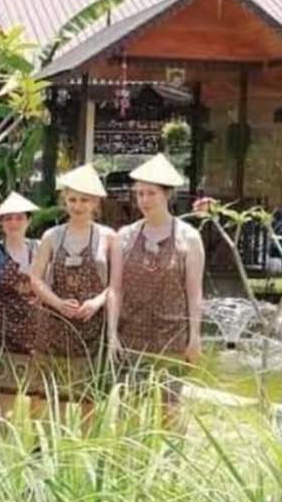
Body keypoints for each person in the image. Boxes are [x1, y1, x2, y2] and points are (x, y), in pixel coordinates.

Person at [108, 154, 205, 420]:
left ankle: (170, 460)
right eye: (139, 194)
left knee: (169, 409)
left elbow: (194, 292)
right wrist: (111, 332)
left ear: (167, 195)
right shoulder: (125, 236)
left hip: (172, 336)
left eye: (151, 193)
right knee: (129, 407)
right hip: (131, 335)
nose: (144, 200)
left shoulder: (189, 237)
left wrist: (195, 336)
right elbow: (115, 289)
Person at [28, 164, 115, 424]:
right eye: (72, 199)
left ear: (96, 203)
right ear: (65, 200)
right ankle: (54, 453)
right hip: (55, 326)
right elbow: (35, 278)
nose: (77, 206)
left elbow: (118, 283)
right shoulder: (51, 236)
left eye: (84, 200)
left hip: (92, 327)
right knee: (55, 395)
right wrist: (56, 302)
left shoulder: (109, 237)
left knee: (89, 397)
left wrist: (97, 301)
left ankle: (85, 454)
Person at [0, 192, 41, 421]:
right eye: (8, 218)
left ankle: (39, 448)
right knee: (6, 393)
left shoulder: (40, 249)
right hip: (3, 332)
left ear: (28, 220)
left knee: (39, 393)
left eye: (19, 218)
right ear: (2, 222)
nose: (13, 223)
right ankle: (2, 447)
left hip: (36, 333)